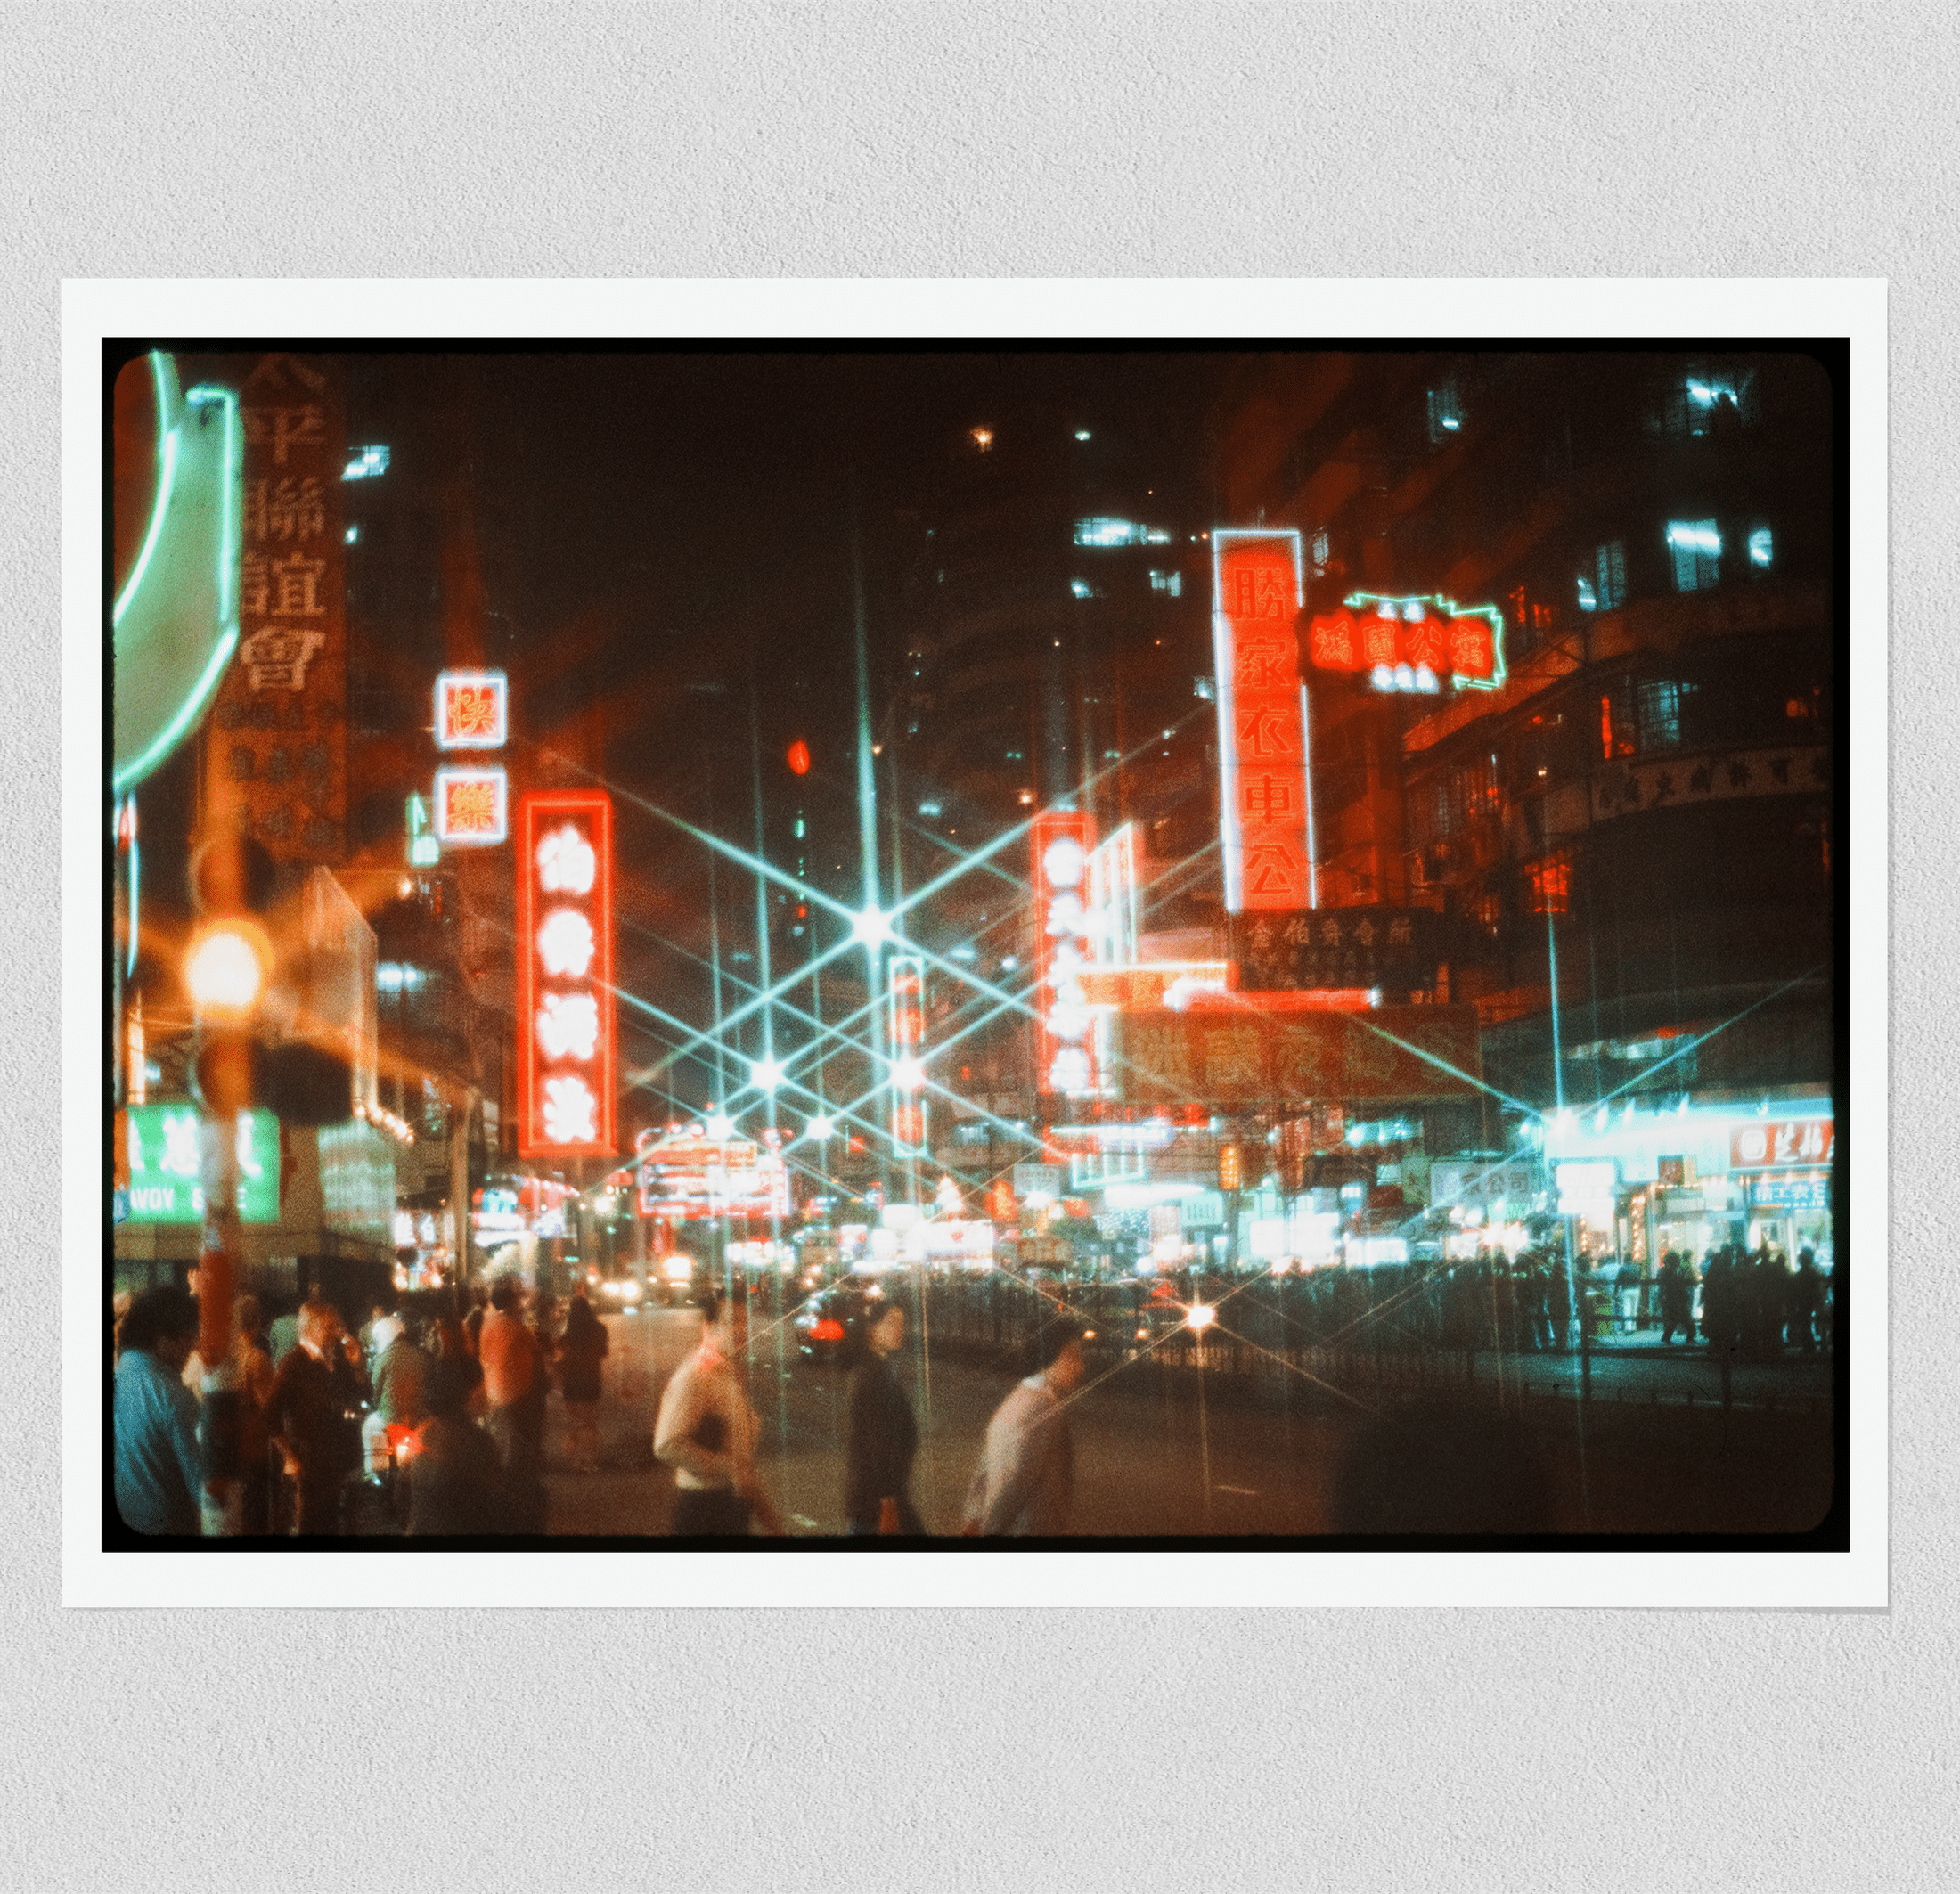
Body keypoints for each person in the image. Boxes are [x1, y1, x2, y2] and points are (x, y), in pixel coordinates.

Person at [654, 1291, 784, 1536]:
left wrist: (769, 1519)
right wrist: (730, 1468)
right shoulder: (695, 1376)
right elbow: (666, 1445)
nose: (740, 1329)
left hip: (731, 1505)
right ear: (708, 1327)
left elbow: (740, 1457)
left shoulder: (728, 1373)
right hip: (703, 1508)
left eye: (744, 1321)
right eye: (731, 1321)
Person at [960, 1318, 1086, 1537]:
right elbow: (1015, 1484)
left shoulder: (1016, 1399)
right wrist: (991, 1529)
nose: (1080, 1367)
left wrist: (974, 1518)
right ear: (1049, 1356)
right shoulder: (1042, 1409)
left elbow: (984, 1470)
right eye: (1072, 1356)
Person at [263, 1299, 366, 1535]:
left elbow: (360, 1398)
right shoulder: (294, 1364)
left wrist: (358, 1365)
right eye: (328, 1327)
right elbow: (270, 1415)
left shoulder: (337, 1363)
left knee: (334, 1526)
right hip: (309, 1466)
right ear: (310, 1328)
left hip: (338, 1463)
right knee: (311, 1528)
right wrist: (290, 1457)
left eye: (336, 1326)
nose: (335, 1333)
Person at [113, 1286, 206, 1536]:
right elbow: (202, 1487)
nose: (191, 1351)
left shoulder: (116, 1378)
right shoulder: (173, 1396)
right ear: (162, 1338)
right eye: (189, 1339)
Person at [845, 1297, 924, 1536]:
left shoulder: (880, 1368)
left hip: (877, 1499)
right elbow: (877, 1443)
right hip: (875, 1503)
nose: (899, 1329)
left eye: (901, 1323)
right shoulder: (873, 1376)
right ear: (871, 1329)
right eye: (890, 1323)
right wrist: (888, 1505)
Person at [407, 1355, 508, 1536]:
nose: (487, 1389)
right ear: (468, 1392)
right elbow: (495, 1509)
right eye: (482, 1382)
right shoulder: (477, 1442)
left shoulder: (425, 1432)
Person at [478, 1277, 548, 1530]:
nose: (521, 1304)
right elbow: (536, 1359)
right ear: (510, 1303)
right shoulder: (515, 1329)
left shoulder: (489, 1326)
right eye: (517, 1300)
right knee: (518, 1457)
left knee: (507, 1452)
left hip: (496, 1400)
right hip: (518, 1401)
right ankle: (519, 1509)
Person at [555, 1292, 609, 1474]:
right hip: (591, 1380)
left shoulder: (567, 1333)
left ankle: (575, 1460)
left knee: (573, 1422)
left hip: (571, 1381)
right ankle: (590, 1460)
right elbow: (603, 1353)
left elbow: (560, 1358)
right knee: (589, 1422)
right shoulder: (600, 1329)